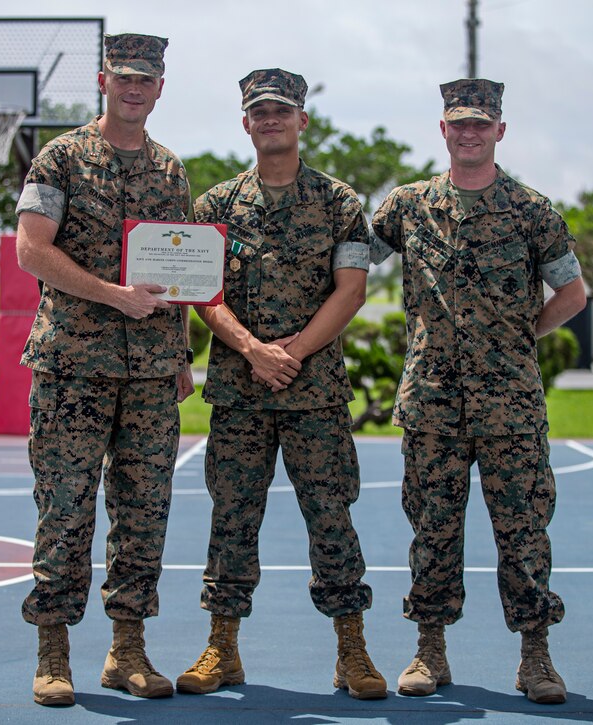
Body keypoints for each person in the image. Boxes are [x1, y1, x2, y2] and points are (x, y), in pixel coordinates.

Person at [370, 78, 587, 704]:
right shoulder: (406, 206)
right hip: (432, 403)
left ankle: (535, 659)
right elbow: (352, 265)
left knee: (523, 531)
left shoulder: (532, 210)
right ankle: (429, 651)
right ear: (443, 130)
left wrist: (525, 335)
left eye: (481, 124)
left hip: (510, 406)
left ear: (499, 132)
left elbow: (572, 294)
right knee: (432, 528)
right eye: (458, 123)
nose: (470, 133)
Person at [174, 68, 387, 701]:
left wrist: (287, 353)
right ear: (246, 124)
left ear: (302, 120)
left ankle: (353, 649)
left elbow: (351, 291)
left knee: (331, 518)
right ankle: (223, 648)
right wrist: (250, 350)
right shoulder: (215, 206)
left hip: (314, 393)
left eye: (282, 111)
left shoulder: (340, 204)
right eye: (259, 112)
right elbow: (201, 294)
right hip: (240, 395)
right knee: (232, 517)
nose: (271, 120)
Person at [13, 33, 195, 707]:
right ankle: (53, 651)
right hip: (72, 367)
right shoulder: (59, 159)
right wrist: (114, 295)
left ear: (159, 88)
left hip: (149, 374)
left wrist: (177, 354)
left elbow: (179, 271)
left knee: (144, 511)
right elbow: (34, 251)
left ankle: (127, 651)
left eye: (145, 78)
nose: (134, 87)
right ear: (102, 79)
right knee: (65, 508)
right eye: (123, 76)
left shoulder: (171, 171)